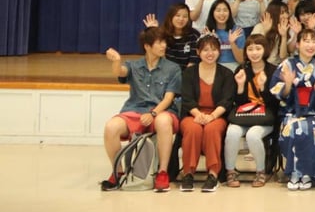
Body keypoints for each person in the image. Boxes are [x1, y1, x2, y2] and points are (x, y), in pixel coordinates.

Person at [100, 27, 181, 192]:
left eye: (164, 42)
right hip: (135, 110)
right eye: (159, 42)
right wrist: (116, 61)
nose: (163, 45)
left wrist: (153, 113)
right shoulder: (134, 65)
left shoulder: (173, 68)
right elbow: (120, 71)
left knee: (163, 121)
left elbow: (168, 98)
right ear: (147, 46)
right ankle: (119, 172)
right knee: (111, 127)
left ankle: (162, 172)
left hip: (161, 111)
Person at [176, 35, 235, 193]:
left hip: (216, 115)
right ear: (198, 52)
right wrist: (198, 115)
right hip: (193, 114)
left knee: (211, 129)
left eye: (214, 49)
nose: (210, 53)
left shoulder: (227, 74)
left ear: (219, 51)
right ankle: (188, 173)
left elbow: (227, 101)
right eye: (206, 50)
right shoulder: (189, 73)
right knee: (192, 129)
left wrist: (212, 116)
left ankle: (213, 174)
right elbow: (187, 99)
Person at [272, 28, 315, 190]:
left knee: (309, 127)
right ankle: (296, 172)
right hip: (291, 112)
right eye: (306, 41)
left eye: (314, 41)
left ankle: (306, 174)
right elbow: (276, 89)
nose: (310, 45)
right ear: (297, 44)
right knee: (293, 126)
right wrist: (288, 85)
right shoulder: (287, 64)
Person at [223, 34, 278, 188]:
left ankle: (261, 171)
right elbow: (238, 102)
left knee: (253, 135)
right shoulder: (241, 70)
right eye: (250, 49)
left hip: (265, 118)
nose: (254, 52)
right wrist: (240, 86)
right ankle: (230, 171)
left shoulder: (273, 70)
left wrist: (263, 88)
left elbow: (275, 103)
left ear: (265, 50)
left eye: (258, 48)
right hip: (244, 116)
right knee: (232, 132)